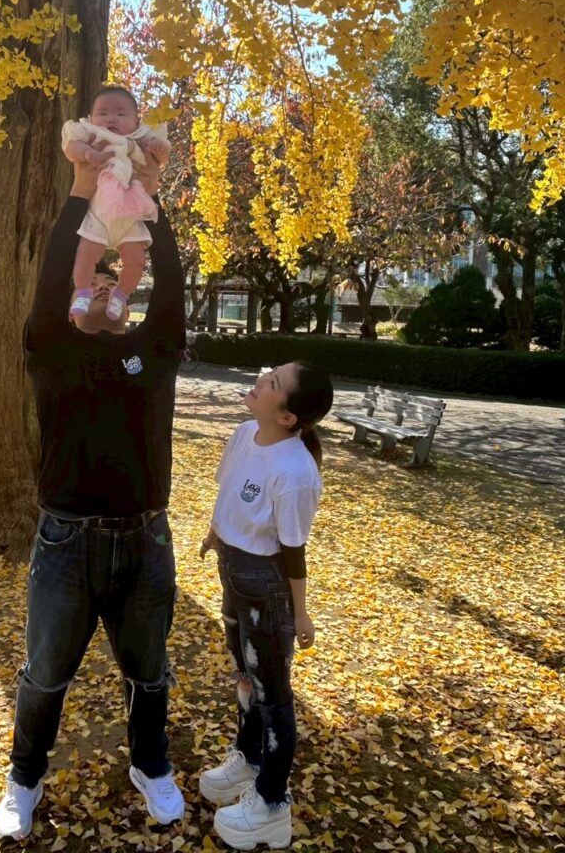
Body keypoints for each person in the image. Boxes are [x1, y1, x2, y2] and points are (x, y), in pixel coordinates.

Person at [0, 121, 186, 842]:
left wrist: (152, 201)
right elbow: (51, 282)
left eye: (114, 282)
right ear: (75, 299)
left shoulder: (152, 353)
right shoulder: (52, 351)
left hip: (145, 541)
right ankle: (24, 778)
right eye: (91, 283)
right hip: (65, 541)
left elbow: (172, 293)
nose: (103, 290)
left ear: (125, 296)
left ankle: (151, 765)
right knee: (44, 672)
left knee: (149, 671)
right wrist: (80, 191)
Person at [198, 362, 333, 851]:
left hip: (266, 586)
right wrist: (215, 533)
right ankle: (249, 759)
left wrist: (300, 613)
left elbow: (293, 550)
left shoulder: (296, 472)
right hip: (233, 573)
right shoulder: (243, 434)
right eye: (268, 374)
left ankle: (272, 804)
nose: (259, 381)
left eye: (272, 383)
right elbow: (229, 494)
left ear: (288, 417)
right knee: (243, 674)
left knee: (272, 693)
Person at [64, 86, 170, 322]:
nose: (111, 119)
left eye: (121, 114)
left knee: (137, 261)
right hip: (99, 213)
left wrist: (160, 150)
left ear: (136, 122)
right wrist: (87, 153)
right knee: (85, 255)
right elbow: (70, 147)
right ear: (91, 117)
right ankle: (83, 291)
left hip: (130, 213)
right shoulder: (90, 133)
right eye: (103, 113)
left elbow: (161, 157)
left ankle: (121, 295)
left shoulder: (141, 138)